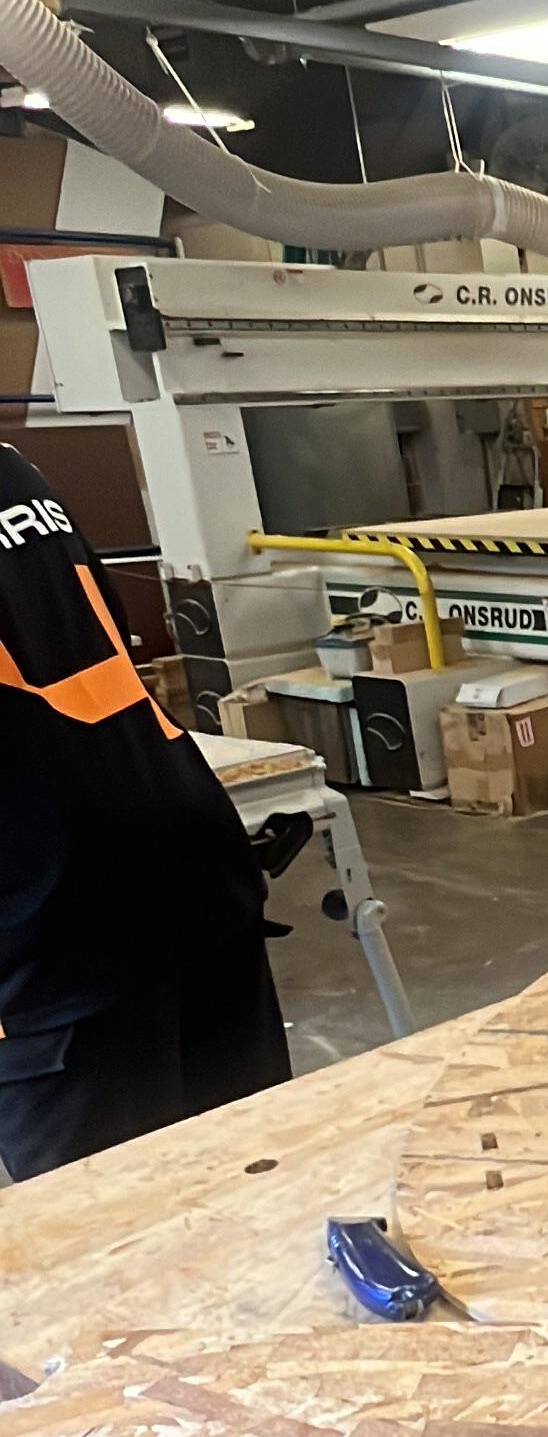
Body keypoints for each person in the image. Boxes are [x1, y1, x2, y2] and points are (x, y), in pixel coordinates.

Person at [0, 435, 289, 1181]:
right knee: (261, 1183)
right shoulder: (11, 466)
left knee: (121, 1242)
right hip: (184, 853)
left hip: (50, 922)